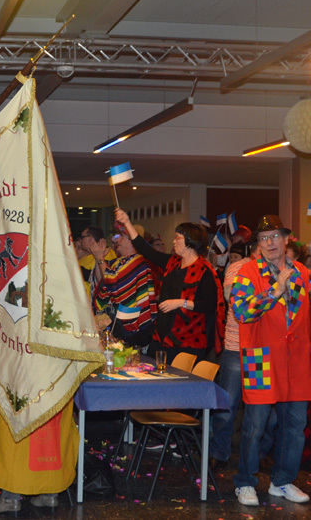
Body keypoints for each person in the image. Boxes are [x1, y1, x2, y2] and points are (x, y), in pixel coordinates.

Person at [230, 215, 311, 506]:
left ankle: (283, 481)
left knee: (295, 426)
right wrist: (274, 291)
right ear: (258, 244)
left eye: (275, 236)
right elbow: (241, 312)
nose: (270, 242)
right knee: (255, 426)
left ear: (286, 239)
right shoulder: (248, 272)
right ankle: (245, 482)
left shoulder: (302, 272)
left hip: (296, 360)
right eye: (264, 238)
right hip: (260, 359)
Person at [115, 208, 225, 362]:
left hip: (188, 342)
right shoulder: (172, 262)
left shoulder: (204, 271)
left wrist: (181, 303)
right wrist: (127, 222)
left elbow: (210, 305)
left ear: (191, 241)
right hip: (162, 337)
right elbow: (146, 250)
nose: (173, 241)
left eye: (177, 237)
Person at [208, 239, 258, 471]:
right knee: (227, 406)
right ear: (255, 248)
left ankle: (255, 455)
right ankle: (219, 452)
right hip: (236, 347)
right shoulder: (238, 267)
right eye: (265, 241)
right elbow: (234, 298)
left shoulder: (276, 271)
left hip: (261, 352)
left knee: (260, 411)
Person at [94, 231, 157, 348]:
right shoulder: (118, 262)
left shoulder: (138, 262)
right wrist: (98, 258)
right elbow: (102, 280)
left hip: (132, 322)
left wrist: (100, 258)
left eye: (121, 237)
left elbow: (112, 281)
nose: (116, 240)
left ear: (132, 241)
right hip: (117, 319)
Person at [76, 226, 115, 300]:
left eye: (82, 237)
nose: (81, 240)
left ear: (90, 239)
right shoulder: (84, 258)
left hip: (95, 301)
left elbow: (100, 278)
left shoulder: (107, 253)